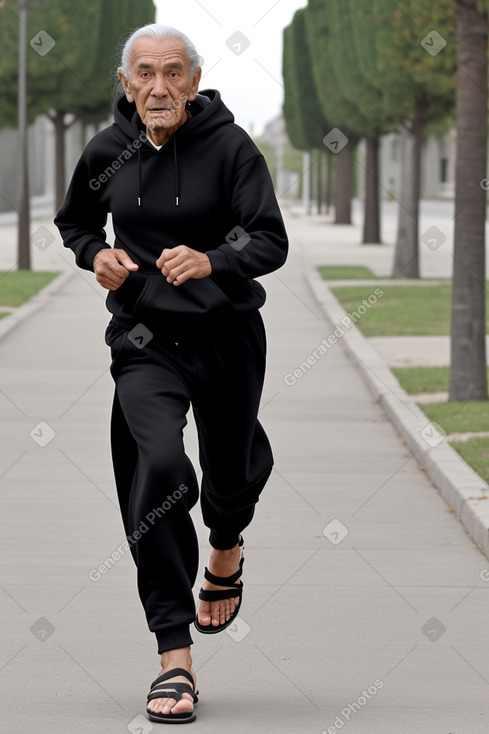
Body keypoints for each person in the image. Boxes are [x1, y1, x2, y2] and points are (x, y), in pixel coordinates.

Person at [55, 23, 288, 724]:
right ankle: (172, 655)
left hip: (226, 335)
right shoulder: (105, 150)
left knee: (230, 472)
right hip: (144, 337)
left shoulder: (230, 148)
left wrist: (215, 259)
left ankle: (225, 542)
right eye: (146, 74)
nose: (160, 88)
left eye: (174, 73)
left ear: (193, 79)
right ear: (125, 84)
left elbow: (268, 237)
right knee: (156, 468)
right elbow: (76, 224)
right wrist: (95, 254)